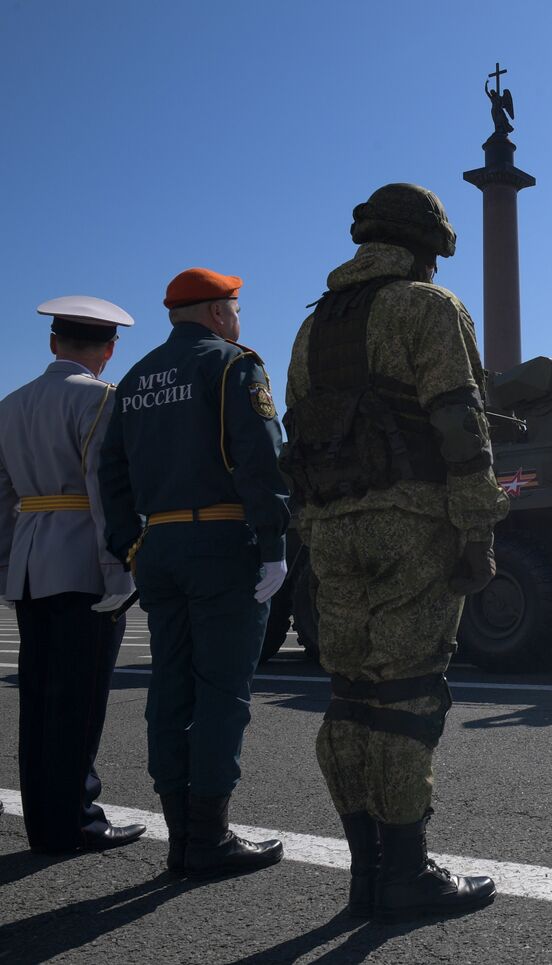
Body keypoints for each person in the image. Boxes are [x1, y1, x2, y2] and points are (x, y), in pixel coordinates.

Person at [281, 183, 509, 922]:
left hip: (334, 532)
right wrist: (478, 528)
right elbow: (460, 425)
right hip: (413, 524)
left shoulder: (312, 328)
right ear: (427, 245)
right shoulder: (427, 307)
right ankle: (406, 874)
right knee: (407, 696)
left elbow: (299, 439)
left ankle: (366, 872)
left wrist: (315, 529)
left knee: (350, 694)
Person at [99, 267, 289, 878]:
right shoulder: (232, 364)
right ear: (216, 313)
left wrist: (131, 544)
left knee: (170, 688)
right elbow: (259, 455)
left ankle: (181, 837)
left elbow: (113, 470)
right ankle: (209, 838)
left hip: (161, 545)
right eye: (233, 308)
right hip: (223, 540)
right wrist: (274, 541)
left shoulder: (134, 379)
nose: (238, 319)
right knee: (222, 692)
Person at [0, 297, 144, 854]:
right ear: (108, 350)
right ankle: (74, 821)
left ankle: (43, 818)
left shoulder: (11, 405)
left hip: (32, 562)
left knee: (37, 701)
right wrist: (120, 571)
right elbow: (106, 491)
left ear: (53, 343)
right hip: (83, 559)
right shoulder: (102, 400)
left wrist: (8, 566)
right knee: (78, 702)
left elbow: (2, 496)